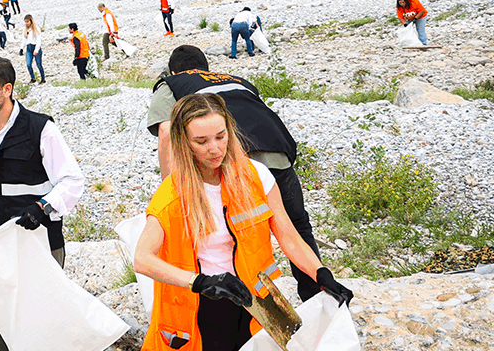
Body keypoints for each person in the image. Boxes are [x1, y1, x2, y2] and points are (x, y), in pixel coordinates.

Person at [135, 93, 352, 350]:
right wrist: (200, 281)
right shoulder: (172, 195)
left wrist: (321, 273)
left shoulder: (256, 176)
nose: (214, 148)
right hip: (204, 303)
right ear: (184, 143)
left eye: (220, 136)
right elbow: (142, 259)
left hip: (256, 300)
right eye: (201, 141)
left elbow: (288, 236)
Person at [145, 45, 324, 302]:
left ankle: (233, 297)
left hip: (234, 158)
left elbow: (166, 132)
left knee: (230, 232)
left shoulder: (170, 83)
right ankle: (318, 296)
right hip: (278, 152)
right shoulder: (235, 80)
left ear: (173, 70)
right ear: (206, 67)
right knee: (296, 227)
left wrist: (173, 189)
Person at [0, 56, 86, 351]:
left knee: (39, 320)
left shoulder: (41, 129)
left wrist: (43, 207)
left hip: (39, 244)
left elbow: (72, 181)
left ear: (7, 89)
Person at [23, 14, 46, 84]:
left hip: (35, 47)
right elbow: (24, 39)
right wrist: (22, 48)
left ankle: (43, 79)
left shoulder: (36, 29)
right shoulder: (25, 30)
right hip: (28, 48)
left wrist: (36, 50)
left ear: (31, 21)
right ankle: (33, 78)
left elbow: (39, 40)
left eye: (27, 22)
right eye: (25, 22)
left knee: (39, 64)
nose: (26, 23)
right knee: (28, 64)